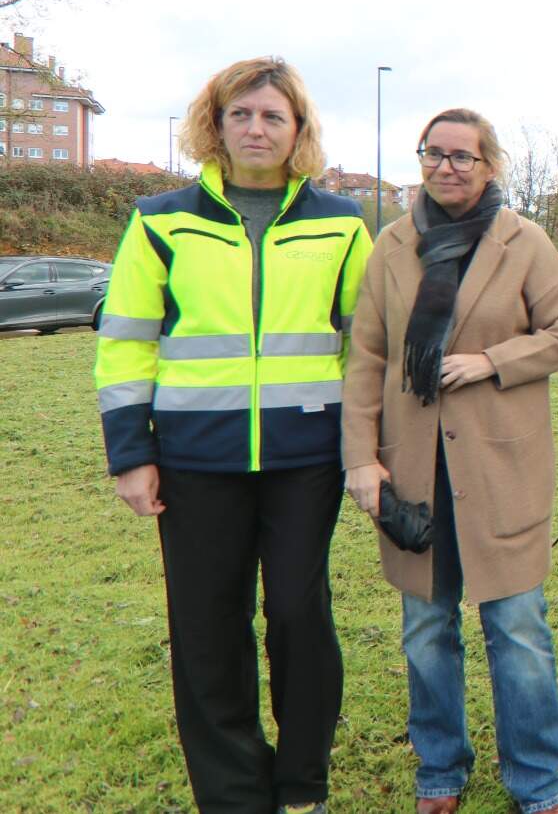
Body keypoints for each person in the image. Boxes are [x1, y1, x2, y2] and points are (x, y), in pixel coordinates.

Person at [94, 57, 371, 814]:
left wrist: (365, 445)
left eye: (272, 116)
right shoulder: (160, 219)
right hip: (193, 462)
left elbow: (366, 345)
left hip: (306, 459)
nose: (256, 128)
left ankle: (303, 782)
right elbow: (126, 342)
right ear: (214, 126)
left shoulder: (342, 223)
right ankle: (233, 793)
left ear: (298, 131)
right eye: (240, 114)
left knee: (296, 613)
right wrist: (132, 455)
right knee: (207, 628)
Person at [341, 108, 558, 814]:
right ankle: (441, 773)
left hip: (500, 471)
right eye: (434, 153)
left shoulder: (524, 241)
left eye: (464, 156)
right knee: (426, 631)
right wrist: (361, 458)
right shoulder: (390, 245)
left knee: (517, 630)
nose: (447, 167)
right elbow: (366, 356)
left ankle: (537, 783)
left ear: (490, 166)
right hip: (412, 471)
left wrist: (492, 360)